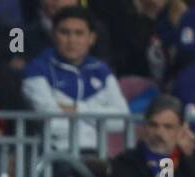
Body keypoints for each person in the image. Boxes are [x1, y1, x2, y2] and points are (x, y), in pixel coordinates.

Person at [20, 6, 129, 154]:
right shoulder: (37, 70)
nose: (72, 40)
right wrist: (99, 114)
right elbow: (53, 124)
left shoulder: (102, 71)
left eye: (79, 33)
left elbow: (121, 121)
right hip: (53, 155)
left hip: (97, 154)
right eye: (65, 32)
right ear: (53, 35)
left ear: (92, 38)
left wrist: (76, 109)